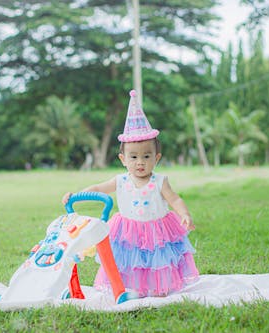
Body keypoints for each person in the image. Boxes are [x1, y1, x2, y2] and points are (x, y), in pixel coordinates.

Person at [62, 90, 199, 297]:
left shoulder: (160, 181)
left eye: (146, 156)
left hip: (157, 230)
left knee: (156, 259)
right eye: (133, 157)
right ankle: (134, 288)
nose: (140, 162)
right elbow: (98, 189)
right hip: (128, 229)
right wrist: (76, 196)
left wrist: (184, 214)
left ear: (157, 157)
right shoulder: (121, 180)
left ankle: (159, 287)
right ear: (123, 159)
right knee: (131, 260)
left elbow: (175, 199)